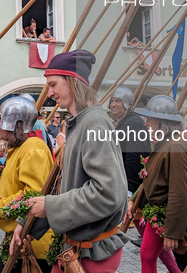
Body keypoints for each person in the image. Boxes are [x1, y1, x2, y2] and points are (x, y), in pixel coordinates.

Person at [11, 49, 129, 272]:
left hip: (93, 253)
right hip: (74, 248)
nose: (50, 93)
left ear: (73, 81)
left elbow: (108, 193)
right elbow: (71, 189)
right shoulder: (80, 122)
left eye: (54, 84)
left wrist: (50, 205)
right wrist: (29, 223)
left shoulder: (94, 123)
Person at [0, 96, 55, 273]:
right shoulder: (17, 148)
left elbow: (33, 195)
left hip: (33, 241)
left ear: (15, 123)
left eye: (0, 118)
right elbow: (2, 188)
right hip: (17, 237)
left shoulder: (33, 149)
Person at [125, 95, 187, 273]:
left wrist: (172, 231)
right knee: (153, 255)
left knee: (148, 255)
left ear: (163, 123)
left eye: (150, 120)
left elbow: (180, 193)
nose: (146, 124)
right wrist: (133, 201)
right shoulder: (165, 145)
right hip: (159, 210)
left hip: (166, 213)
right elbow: (150, 179)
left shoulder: (175, 147)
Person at [108, 86, 151, 196]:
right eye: (112, 101)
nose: (113, 104)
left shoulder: (135, 123)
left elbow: (135, 158)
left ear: (129, 104)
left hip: (128, 187)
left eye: (118, 101)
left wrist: (129, 190)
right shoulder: (123, 123)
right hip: (119, 182)